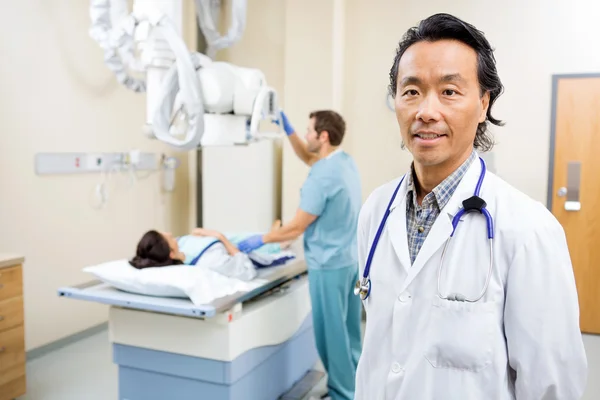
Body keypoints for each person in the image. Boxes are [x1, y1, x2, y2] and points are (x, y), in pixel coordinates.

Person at [354, 13, 587, 400]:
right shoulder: (376, 212)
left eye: (449, 91)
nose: (426, 111)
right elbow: (381, 349)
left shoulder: (528, 230)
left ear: (483, 104)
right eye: (411, 91)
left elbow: (553, 386)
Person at [237, 110, 363, 400]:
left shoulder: (322, 177)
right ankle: (357, 386)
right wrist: (289, 131)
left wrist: (260, 239)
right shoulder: (343, 162)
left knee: (331, 336)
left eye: (308, 131)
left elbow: (295, 227)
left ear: (323, 137)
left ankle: (342, 394)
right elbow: (309, 158)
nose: (305, 136)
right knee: (349, 332)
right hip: (350, 261)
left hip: (328, 266)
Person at [129, 221, 290, 281]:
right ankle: (278, 240)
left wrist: (197, 235)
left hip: (228, 240)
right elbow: (246, 271)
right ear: (171, 253)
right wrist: (220, 237)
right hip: (245, 252)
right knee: (283, 241)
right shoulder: (209, 261)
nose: (170, 234)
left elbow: (178, 241)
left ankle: (271, 234)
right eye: (167, 237)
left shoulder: (178, 246)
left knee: (248, 236)